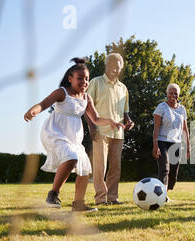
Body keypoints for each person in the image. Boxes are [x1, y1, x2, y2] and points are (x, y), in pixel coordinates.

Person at [23, 58, 124, 212]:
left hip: (74, 137)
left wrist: (110, 121)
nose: (84, 82)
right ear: (70, 79)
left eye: (87, 79)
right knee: (71, 158)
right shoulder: (62, 92)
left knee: (85, 168)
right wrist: (34, 111)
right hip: (55, 132)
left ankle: (78, 204)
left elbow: (95, 119)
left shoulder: (86, 98)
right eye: (80, 78)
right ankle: (53, 194)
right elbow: (44, 104)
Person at [86, 53, 134, 206]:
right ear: (106, 65)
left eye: (118, 68)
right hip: (100, 132)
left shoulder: (123, 88)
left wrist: (128, 120)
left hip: (118, 133)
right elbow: (86, 107)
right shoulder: (96, 82)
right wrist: (91, 127)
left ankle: (112, 197)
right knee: (100, 168)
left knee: (115, 168)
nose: (115, 70)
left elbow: (125, 112)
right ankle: (101, 199)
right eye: (112, 66)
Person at [152, 83, 190, 200]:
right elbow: (156, 127)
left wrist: (188, 146)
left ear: (178, 95)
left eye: (175, 93)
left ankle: (166, 192)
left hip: (176, 143)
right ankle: (163, 196)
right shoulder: (161, 107)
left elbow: (184, 129)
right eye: (171, 93)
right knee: (164, 168)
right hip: (163, 141)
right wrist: (155, 145)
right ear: (167, 94)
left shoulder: (182, 109)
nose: (173, 95)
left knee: (173, 174)